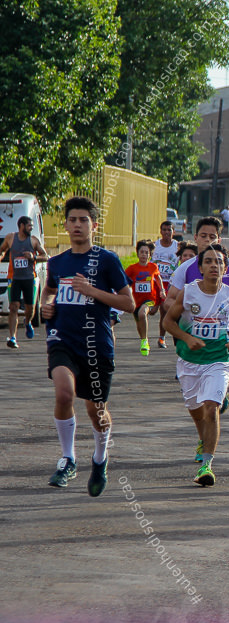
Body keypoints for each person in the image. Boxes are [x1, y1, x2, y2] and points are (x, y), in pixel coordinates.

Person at [41, 197, 134, 496]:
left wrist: (91, 290)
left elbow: (128, 303)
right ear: (66, 225)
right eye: (72, 220)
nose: (77, 225)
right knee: (64, 392)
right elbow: (50, 290)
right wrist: (46, 304)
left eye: (83, 220)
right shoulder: (56, 262)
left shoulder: (107, 260)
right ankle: (68, 459)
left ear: (94, 225)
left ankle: (99, 459)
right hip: (63, 339)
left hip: (96, 345)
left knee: (97, 412)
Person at [162, 244, 229, 486]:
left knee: (211, 408)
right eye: (208, 261)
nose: (213, 265)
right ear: (200, 268)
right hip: (189, 361)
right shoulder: (188, 292)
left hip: (218, 360)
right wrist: (188, 338)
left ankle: (206, 466)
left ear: (225, 268)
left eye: (218, 262)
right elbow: (168, 322)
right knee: (196, 408)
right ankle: (202, 439)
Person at [1, 214, 48, 347]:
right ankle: (12, 337)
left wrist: (33, 257)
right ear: (21, 226)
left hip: (29, 279)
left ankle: (27, 322)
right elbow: (2, 250)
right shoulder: (11, 238)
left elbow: (45, 256)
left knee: (30, 310)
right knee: (13, 307)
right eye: (29, 226)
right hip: (14, 279)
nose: (31, 229)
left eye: (32, 226)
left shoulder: (33, 241)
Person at [124, 239, 166, 355]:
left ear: (150, 255)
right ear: (137, 253)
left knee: (142, 313)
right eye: (142, 252)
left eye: (146, 252)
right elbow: (123, 279)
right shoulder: (132, 268)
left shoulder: (153, 267)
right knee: (139, 320)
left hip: (149, 299)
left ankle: (144, 341)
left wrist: (162, 289)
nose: (144, 255)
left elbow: (158, 278)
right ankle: (143, 339)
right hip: (136, 300)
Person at [152, 221, 179, 348]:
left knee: (164, 310)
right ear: (160, 231)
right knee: (152, 311)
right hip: (155, 282)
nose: (167, 232)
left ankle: (161, 338)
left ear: (173, 231)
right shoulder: (155, 246)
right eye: (164, 230)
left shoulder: (177, 247)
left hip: (169, 283)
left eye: (169, 230)